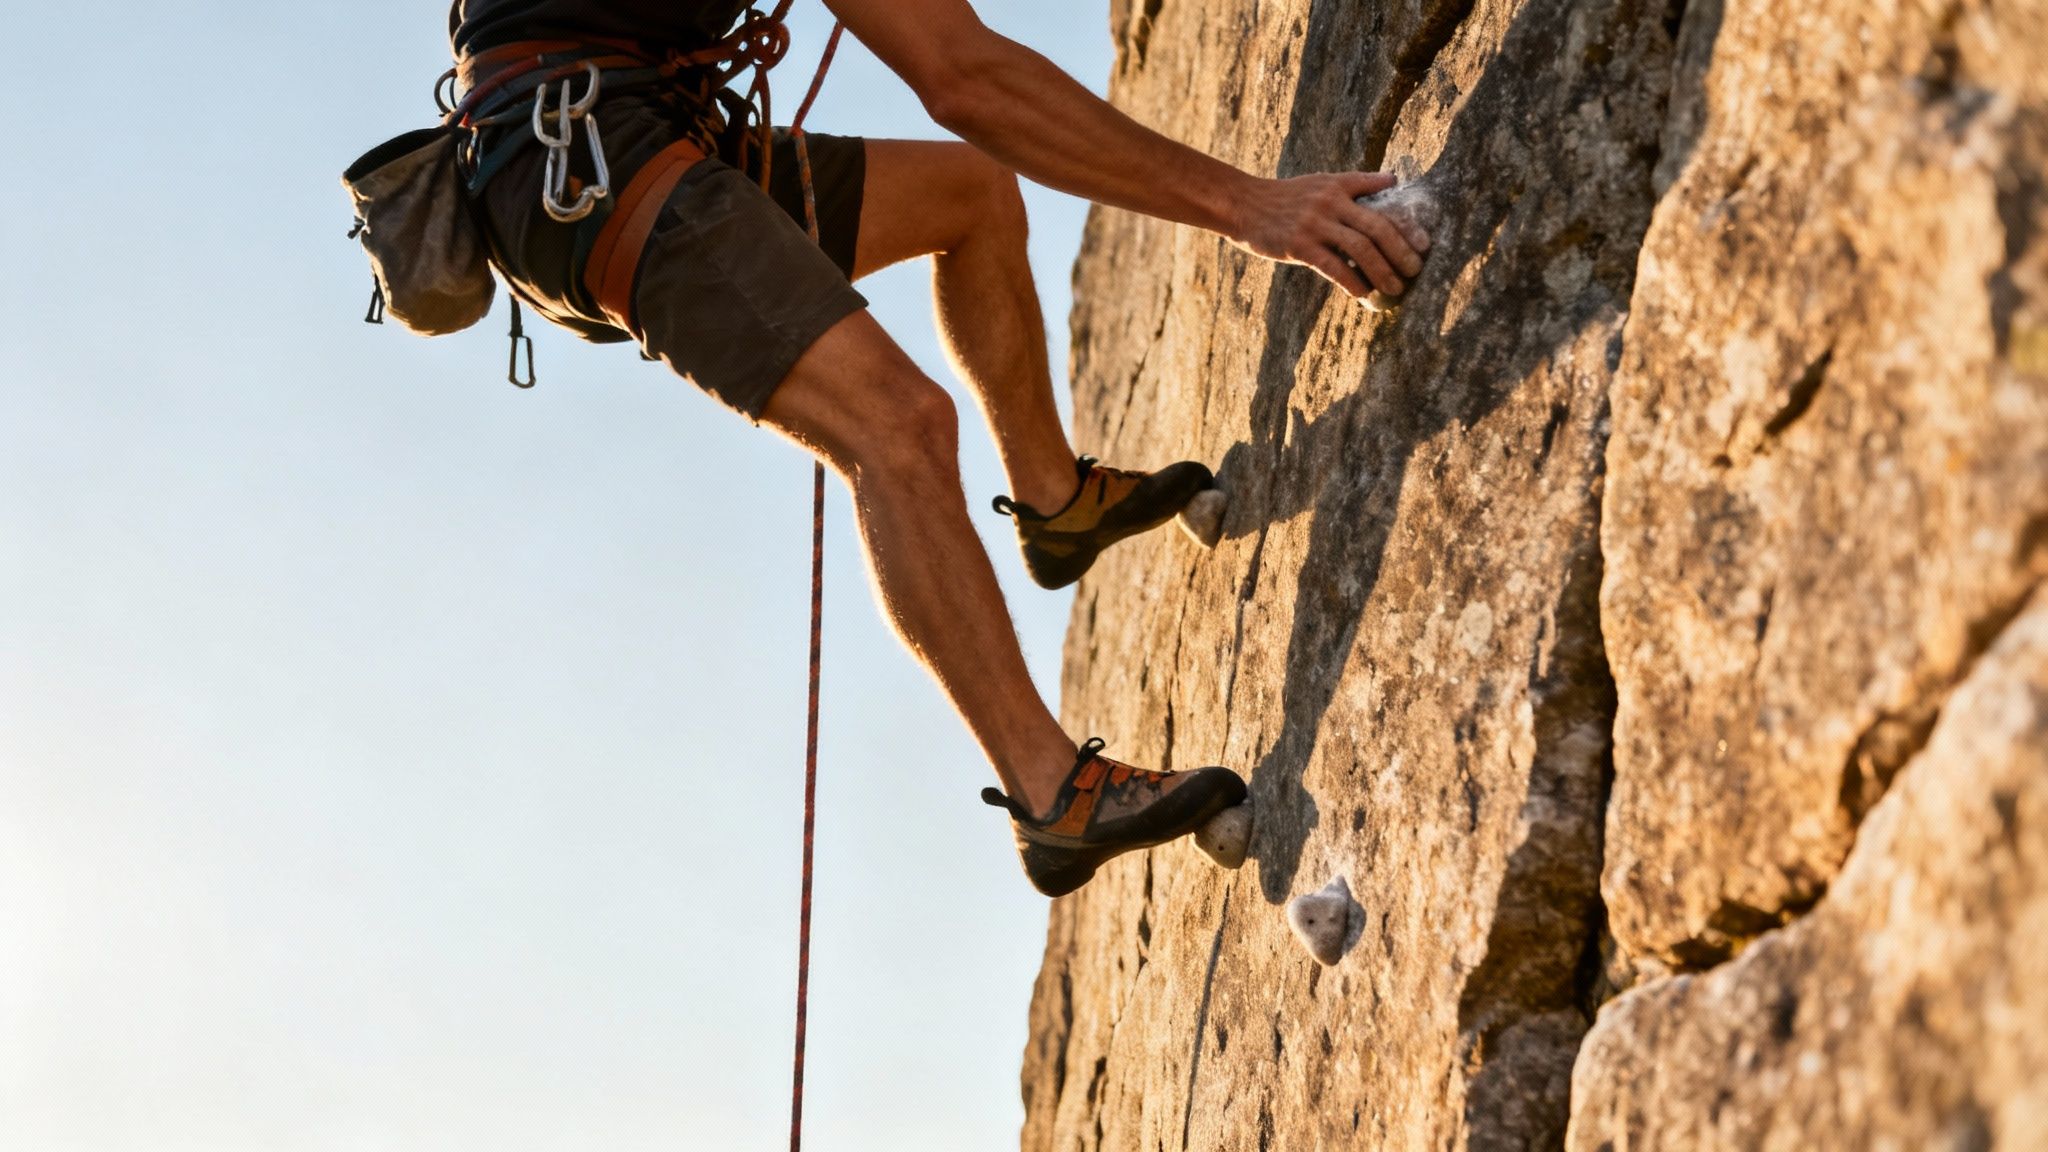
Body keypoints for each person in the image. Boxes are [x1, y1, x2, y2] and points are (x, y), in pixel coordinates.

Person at [445, 0, 1430, 896]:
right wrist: (1245, 205)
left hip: (618, 136)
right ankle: (1051, 796)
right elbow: (966, 78)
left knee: (971, 196)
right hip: (583, 161)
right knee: (897, 428)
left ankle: (1054, 503)